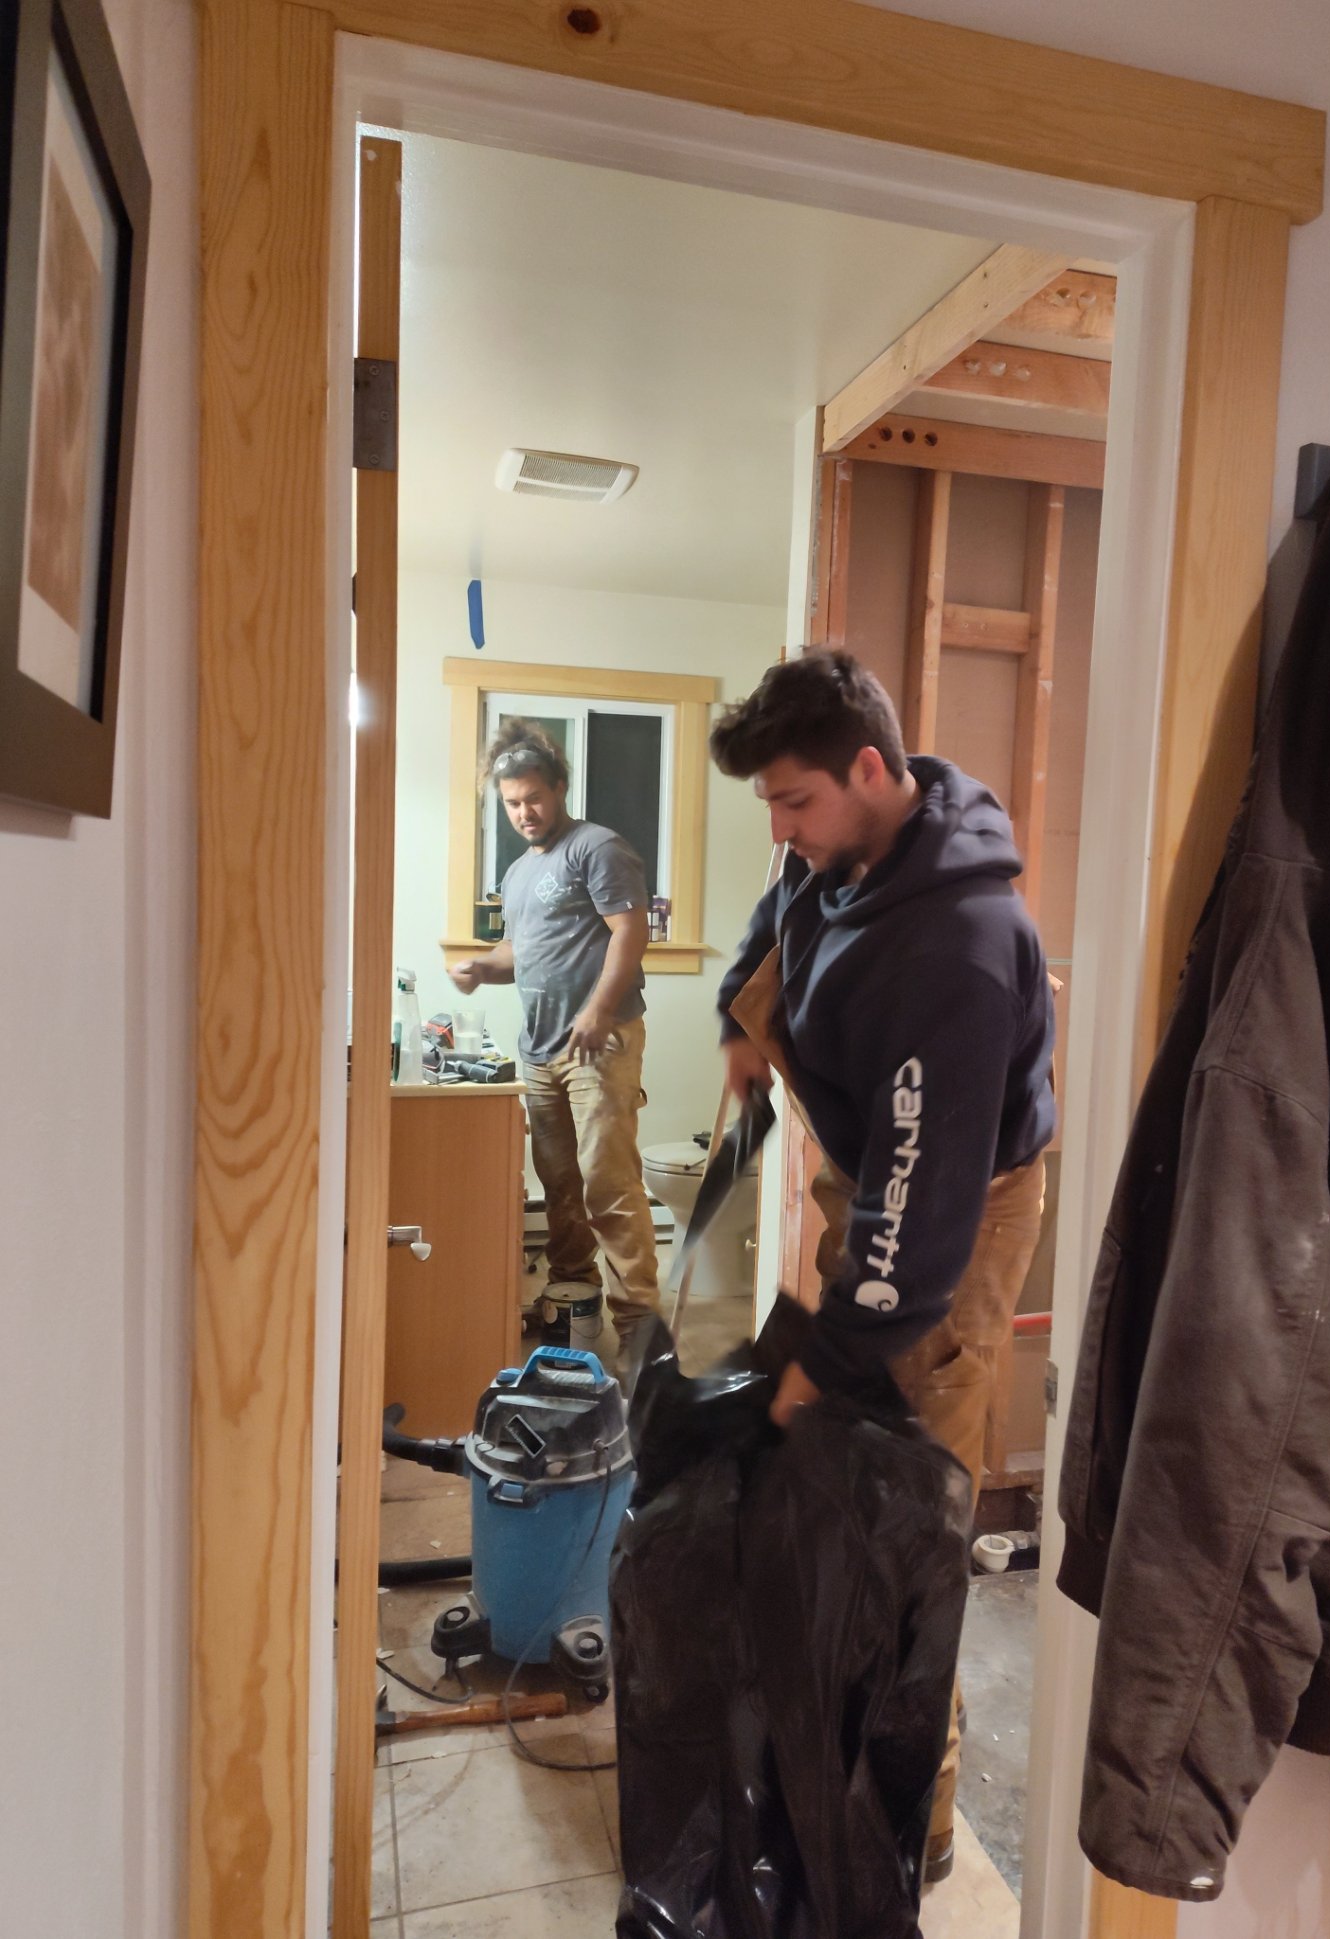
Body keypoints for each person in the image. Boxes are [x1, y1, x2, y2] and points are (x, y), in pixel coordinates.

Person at [712, 650, 1056, 1881]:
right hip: (880, 1171)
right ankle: (827, 1753)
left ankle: (913, 1828)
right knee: (838, 1488)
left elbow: (916, 1228)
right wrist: (741, 1018)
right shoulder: (843, 846)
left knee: (908, 1512)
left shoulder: (957, 950)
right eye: (771, 804)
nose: (782, 828)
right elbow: (783, 906)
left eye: (795, 800)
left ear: (870, 768)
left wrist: (831, 1362)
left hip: (954, 1217)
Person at [450, 719, 660, 1356]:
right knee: (561, 1185)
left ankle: (641, 1331)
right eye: (512, 803)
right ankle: (573, 1296)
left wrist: (597, 1012)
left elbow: (630, 931)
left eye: (534, 798)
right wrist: (480, 967)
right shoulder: (518, 873)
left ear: (560, 788)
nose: (524, 813)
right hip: (539, 1051)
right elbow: (520, 951)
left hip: (599, 1042)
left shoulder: (597, 848)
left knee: (608, 1185)